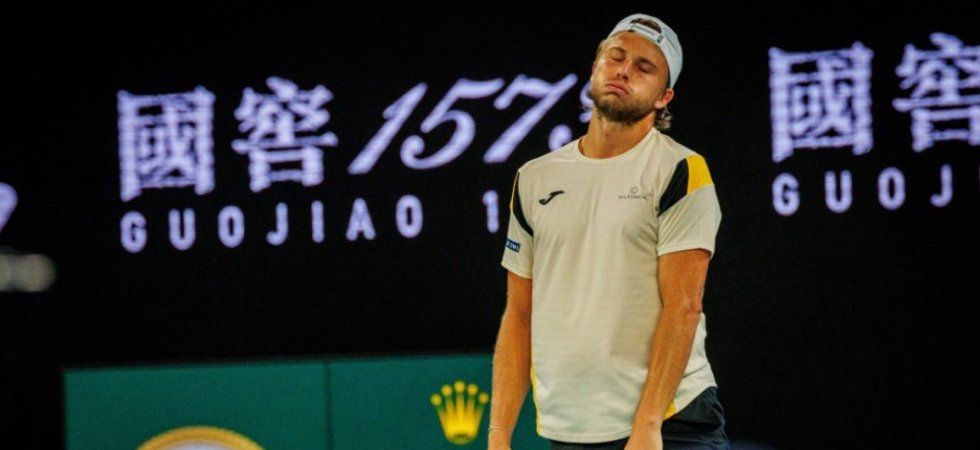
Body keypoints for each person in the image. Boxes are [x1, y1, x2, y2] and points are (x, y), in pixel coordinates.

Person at [488, 13, 730, 450]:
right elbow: (519, 314)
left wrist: (648, 425)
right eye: (615, 57)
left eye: (644, 67)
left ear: (664, 97)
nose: (624, 71)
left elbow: (684, 307)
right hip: (571, 429)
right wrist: (499, 434)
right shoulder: (534, 177)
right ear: (594, 68)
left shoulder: (680, 169)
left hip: (669, 424)